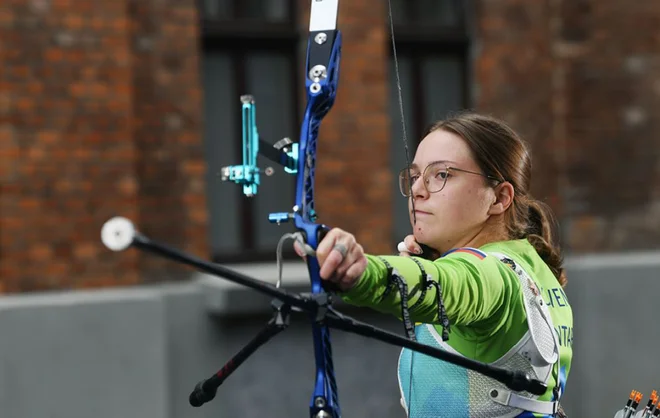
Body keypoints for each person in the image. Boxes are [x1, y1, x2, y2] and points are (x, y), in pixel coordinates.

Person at [296, 112, 573, 417]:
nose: (417, 190)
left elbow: (452, 284)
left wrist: (361, 272)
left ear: (498, 198)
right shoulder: (529, 265)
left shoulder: (492, 274)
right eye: (414, 176)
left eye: (442, 175)